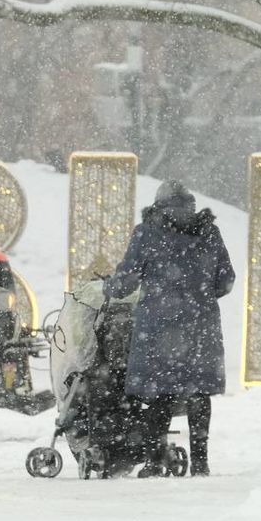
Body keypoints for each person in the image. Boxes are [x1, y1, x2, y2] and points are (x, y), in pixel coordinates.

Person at [104, 180, 234, 477]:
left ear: (158, 204)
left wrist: (108, 288)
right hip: (200, 327)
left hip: (158, 326)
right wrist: (197, 296)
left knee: (159, 392)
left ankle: (155, 460)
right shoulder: (209, 232)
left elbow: (127, 280)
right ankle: (200, 462)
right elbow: (226, 280)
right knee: (198, 393)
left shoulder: (147, 232)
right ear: (190, 203)